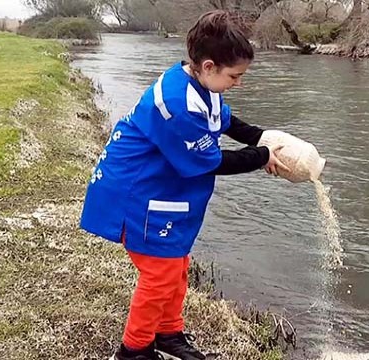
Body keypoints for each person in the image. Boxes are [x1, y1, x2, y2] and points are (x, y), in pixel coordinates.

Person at [79, 10, 288, 360]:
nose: (239, 83)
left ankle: (168, 334)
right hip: (137, 193)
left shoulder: (197, 83)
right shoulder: (175, 104)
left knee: (175, 264)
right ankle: (134, 350)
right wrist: (263, 155)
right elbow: (213, 161)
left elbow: (222, 119)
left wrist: (259, 136)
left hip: (163, 189)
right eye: (235, 76)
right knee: (160, 273)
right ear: (209, 66)